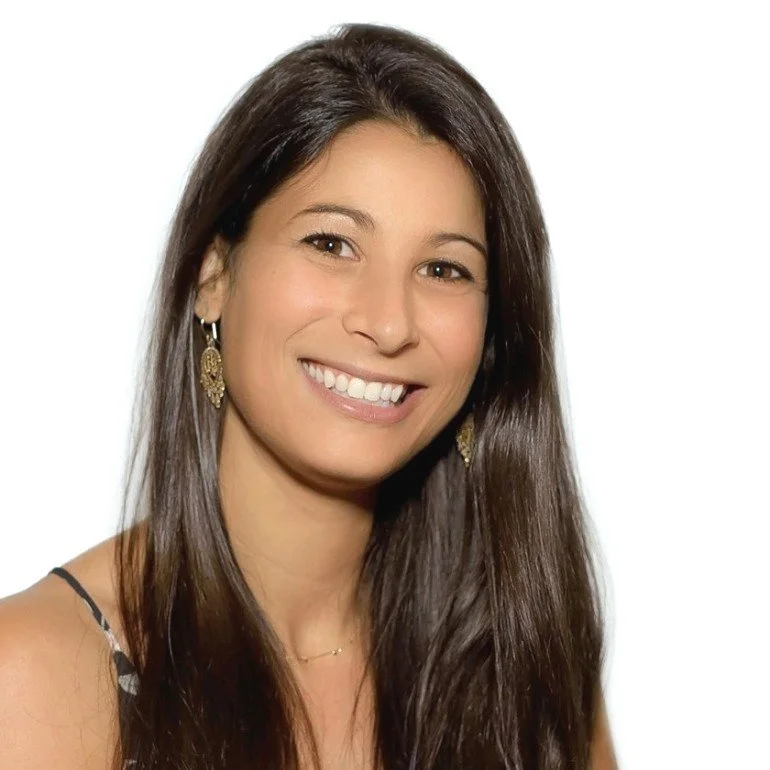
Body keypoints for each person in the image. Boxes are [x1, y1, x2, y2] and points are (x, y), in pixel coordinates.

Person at [0, 22, 616, 770]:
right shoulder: (34, 675)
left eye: (445, 270)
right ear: (214, 276)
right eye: (331, 244)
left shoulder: (519, 658)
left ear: (491, 340)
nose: (388, 322)